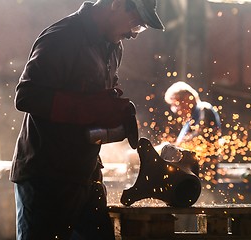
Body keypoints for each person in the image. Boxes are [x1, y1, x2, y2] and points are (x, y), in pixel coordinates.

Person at [10, 0, 164, 239]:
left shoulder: (114, 47)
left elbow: (91, 108)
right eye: (136, 22)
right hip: (47, 177)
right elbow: (27, 96)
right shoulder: (63, 37)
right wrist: (89, 108)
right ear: (117, 4)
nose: (134, 34)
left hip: (86, 173)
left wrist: (111, 112)